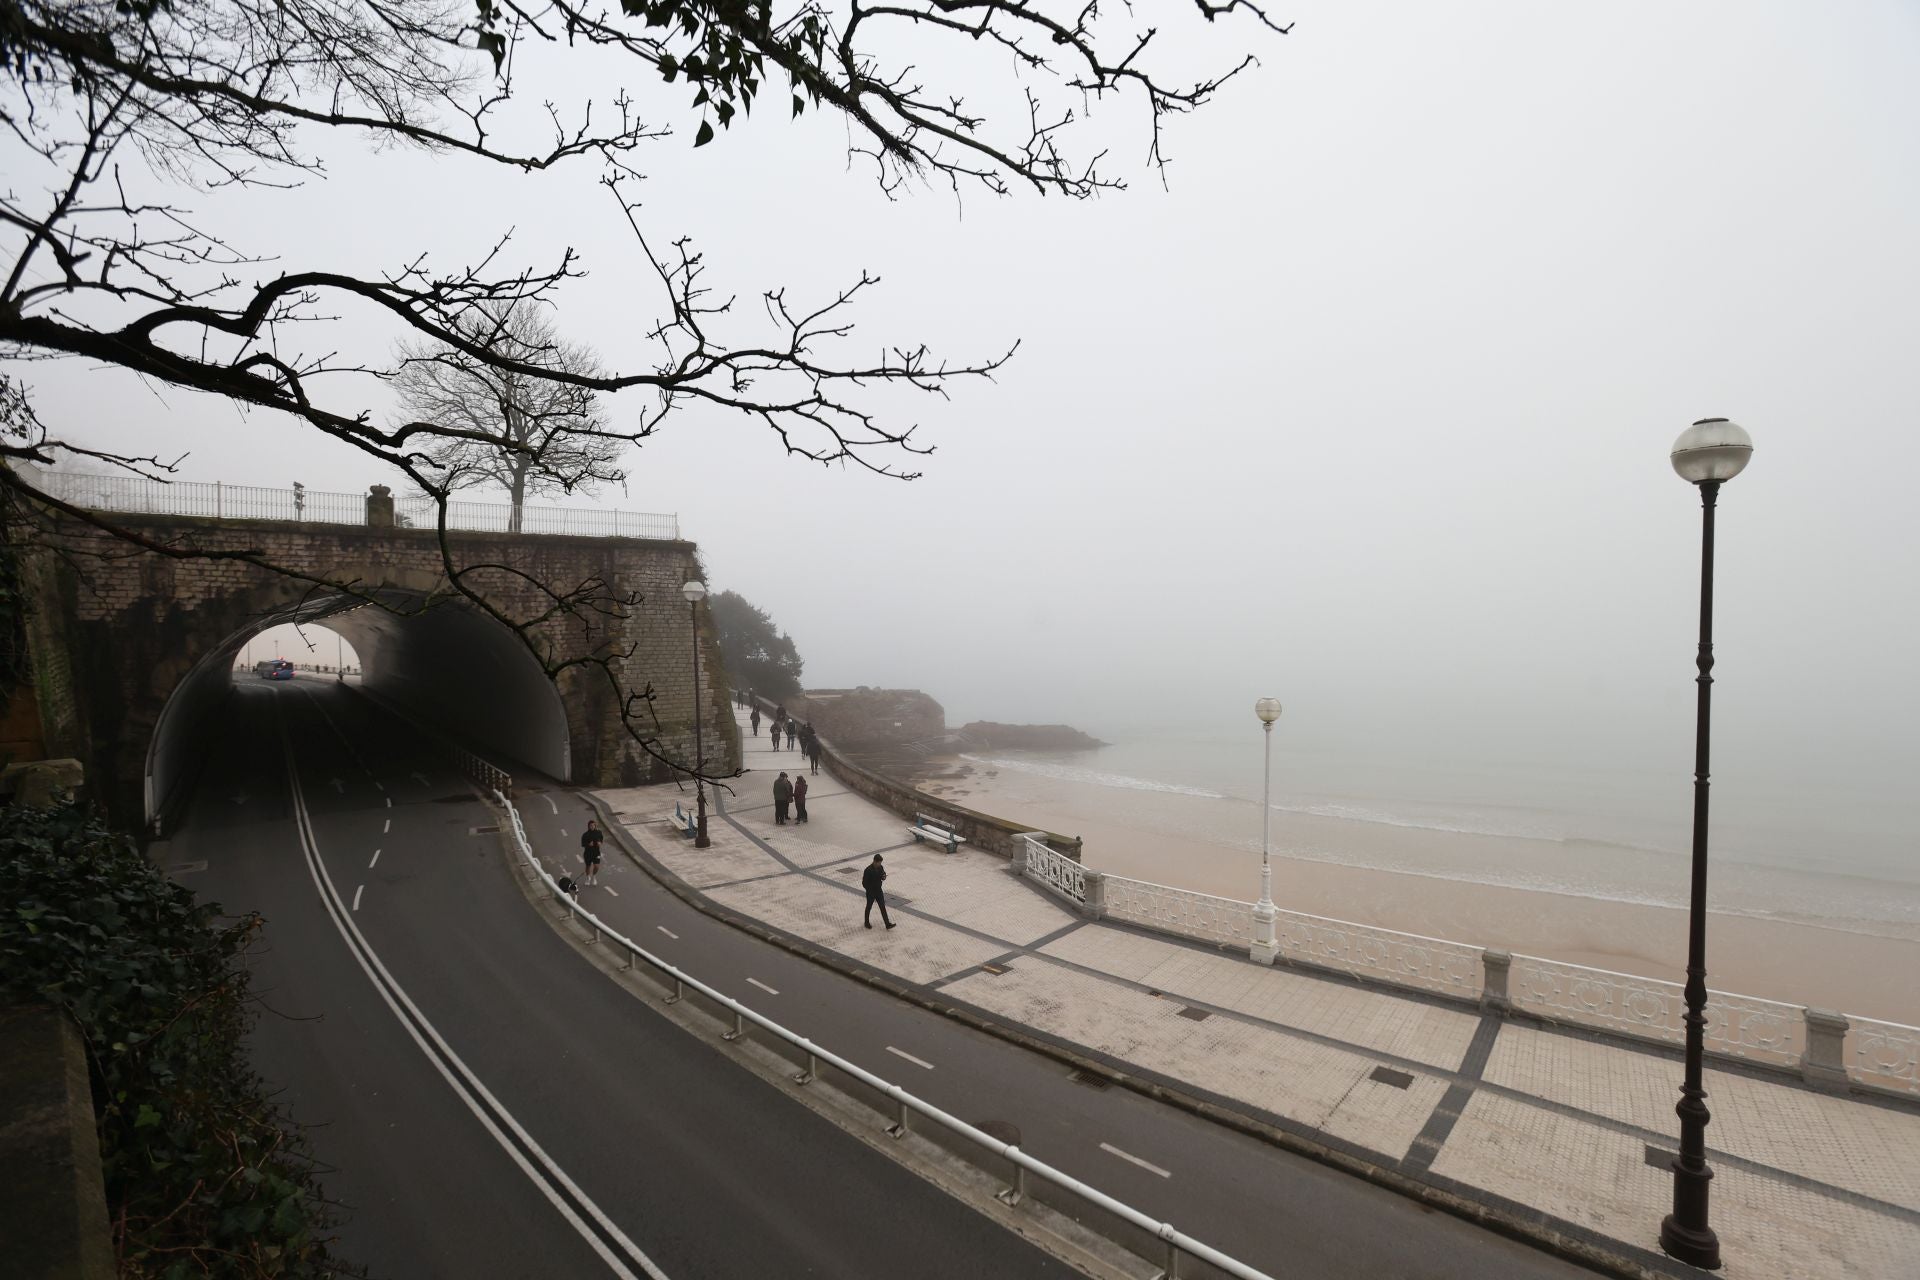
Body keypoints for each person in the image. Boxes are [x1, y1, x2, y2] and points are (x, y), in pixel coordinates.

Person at [862, 854, 895, 929]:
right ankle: (866, 923)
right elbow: (864, 883)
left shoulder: (880, 867)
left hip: (879, 891)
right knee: (869, 907)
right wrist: (869, 890)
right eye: (879, 863)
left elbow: (883, 875)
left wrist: (884, 877)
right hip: (871, 892)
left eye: (880, 862)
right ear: (874, 861)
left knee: (882, 906)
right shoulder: (868, 870)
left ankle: (887, 924)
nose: (880, 864)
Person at [580, 819, 604, 886]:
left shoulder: (599, 832)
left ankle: (594, 876)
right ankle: (588, 878)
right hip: (588, 853)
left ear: (595, 825)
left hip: (596, 853)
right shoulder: (585, 835)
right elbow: (583, 844)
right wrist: (588, 845)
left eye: (594, 825)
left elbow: (601, 839)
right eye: (591, 825)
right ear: (588, 826)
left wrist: (600, 843)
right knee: (588, 866)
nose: (592, 826)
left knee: (596, 866)